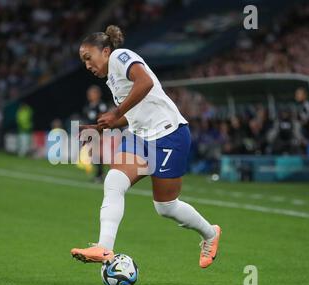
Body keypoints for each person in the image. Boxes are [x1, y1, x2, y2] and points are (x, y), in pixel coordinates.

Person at [71, 25, 221, 268]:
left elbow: (146, 82)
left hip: (169, 134)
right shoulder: (111, 78)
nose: (87, 65)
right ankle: (104, 248)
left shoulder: (121, 57)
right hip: (140, 137)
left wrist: (116, 111)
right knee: (114, 181)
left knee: (166, 207)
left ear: (106, 51)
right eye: (83, 61)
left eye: (88, 57)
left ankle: (210, 234)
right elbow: (131, 115)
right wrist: (101, 127)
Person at [81, 85, 109, 182]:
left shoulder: (101, 105)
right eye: (89, 94)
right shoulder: (88, 106)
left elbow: (103, 119)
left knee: (98, 154)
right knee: (93, 154)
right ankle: (99, 174)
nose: (89, 96)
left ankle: (100, 175)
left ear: (97, 94)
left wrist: (101, 133)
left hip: (99, 133)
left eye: (92, 94)